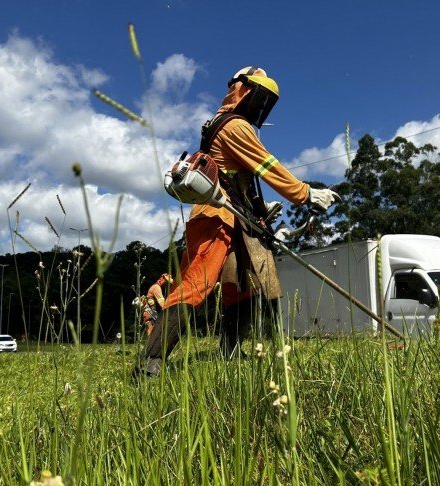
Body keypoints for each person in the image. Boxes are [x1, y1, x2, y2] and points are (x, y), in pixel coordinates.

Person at [135, 66, 340, 376]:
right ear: (242, 90)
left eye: (267, 102)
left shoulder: (229, 125)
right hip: (215, 215)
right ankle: (150, 363)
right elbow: (266, 165)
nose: (262, 106)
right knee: (195, 285)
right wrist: (304, 193)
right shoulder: (235, 126)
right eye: (260, 97)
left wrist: (261, 208)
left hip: (235, 218)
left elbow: (238, 178)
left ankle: (230, 351)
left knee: (241, 287)